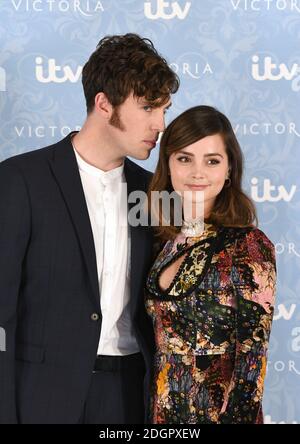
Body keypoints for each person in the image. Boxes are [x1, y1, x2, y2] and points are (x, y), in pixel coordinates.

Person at [0, 33, 179, 424]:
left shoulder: (155, 194)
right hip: (41, 397)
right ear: (103, 103)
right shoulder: (20, 180)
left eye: (164, 109)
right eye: (148, 107)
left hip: (131, 396)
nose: (160, 124)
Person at [146, 105, 276, 424]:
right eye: (184, 158)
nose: (197, 173)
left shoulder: (248, 246)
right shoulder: (167, 243)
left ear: (229, 169)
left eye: (212, 160)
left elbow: (252, 363)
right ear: (168, 164)